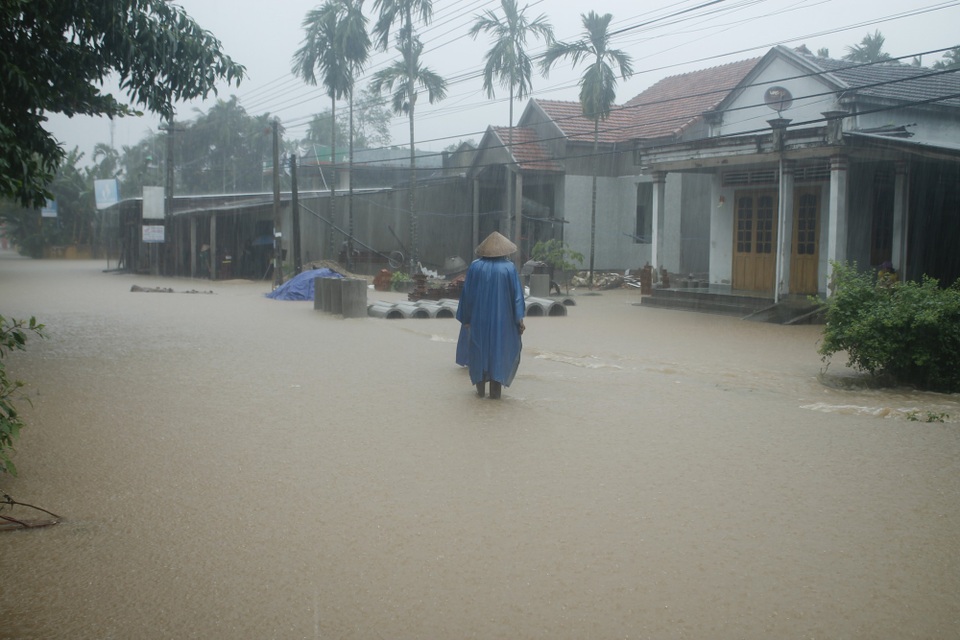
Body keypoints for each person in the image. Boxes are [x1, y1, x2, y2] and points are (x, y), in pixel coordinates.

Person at [456, 231, 526, 399]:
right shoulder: (509, 268)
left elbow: (467, 295)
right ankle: (495, 396)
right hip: (503, 321)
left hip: (479, 319)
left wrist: (466, 318)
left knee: (478, 351)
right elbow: (516, 296)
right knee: (499, 353)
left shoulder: (475, 267)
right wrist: (519, 320)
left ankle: (480, 394)